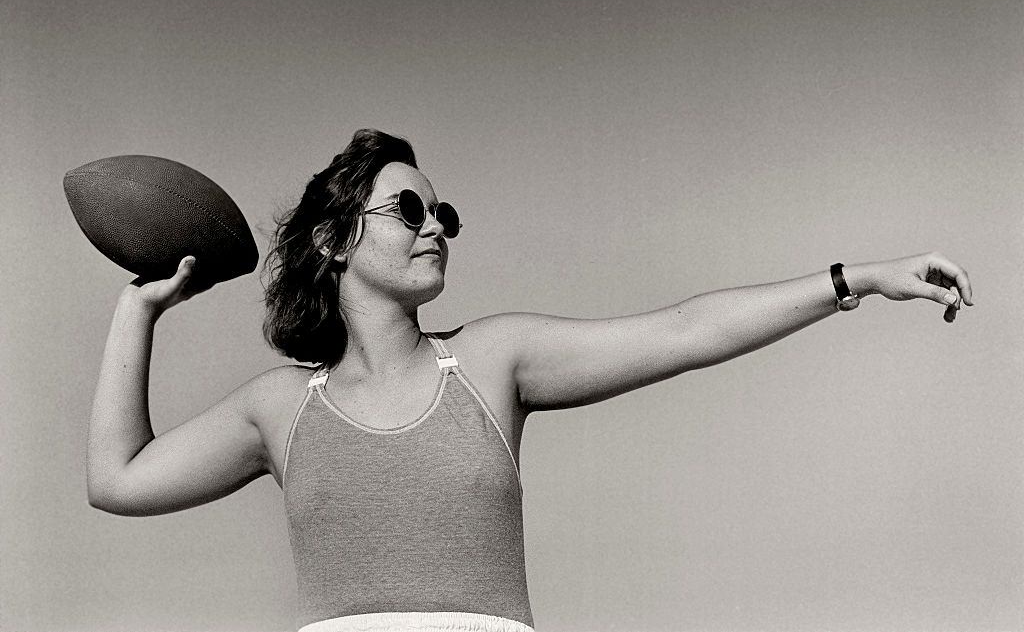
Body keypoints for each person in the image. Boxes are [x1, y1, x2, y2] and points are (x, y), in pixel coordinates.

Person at [87, 129, 974, 632]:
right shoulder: (280, 407)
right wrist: (142, 305)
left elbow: (683, 329)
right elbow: (117, 479)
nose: (435, 226)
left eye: (445, 213)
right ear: (333, 239)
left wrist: (853, 277)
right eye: (408, 209)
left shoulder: (490, 361)